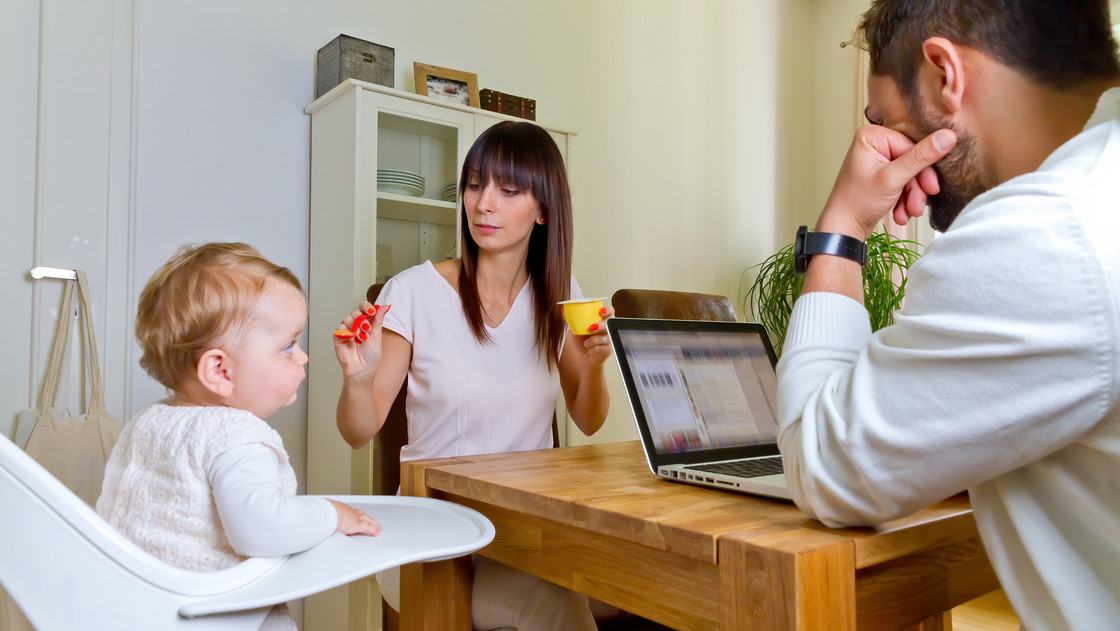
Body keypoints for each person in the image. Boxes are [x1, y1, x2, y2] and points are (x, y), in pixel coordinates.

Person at [775, 1, 1120, 629]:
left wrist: (845, 224)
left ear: (943, 73)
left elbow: (819, 461)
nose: (888, 154)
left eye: (888, 124)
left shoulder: (1052, 232)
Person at [334, 121, 613, 630]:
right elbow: (358, 430)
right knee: (559, 609)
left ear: (544, 210)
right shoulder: (413, 291)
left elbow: (589, 419)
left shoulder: (560, 293)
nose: (484, 203)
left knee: (587, 587)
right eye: (475, 184)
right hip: (429, 528)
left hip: (521, 528)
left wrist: (593, 367)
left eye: (508, 191)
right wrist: (357, 377)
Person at [97, 242, 382, 631]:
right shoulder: (236, 435)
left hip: (133, 609)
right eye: (288, 346)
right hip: (216, 615)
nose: (303, 357)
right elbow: (264, 528)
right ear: (220, 371)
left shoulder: (149, 422)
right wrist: (335, 514)